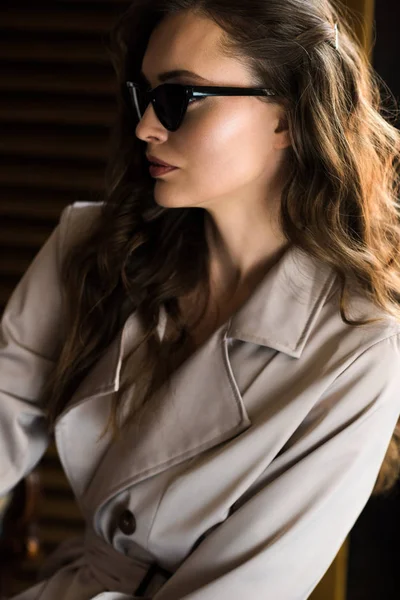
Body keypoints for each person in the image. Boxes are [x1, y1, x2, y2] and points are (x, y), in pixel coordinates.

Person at [2, 0, 400, 598]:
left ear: (288, 116)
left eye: (179, 98)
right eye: (146, 95)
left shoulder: (362, 348)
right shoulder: (90, 248)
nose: (145, 127)